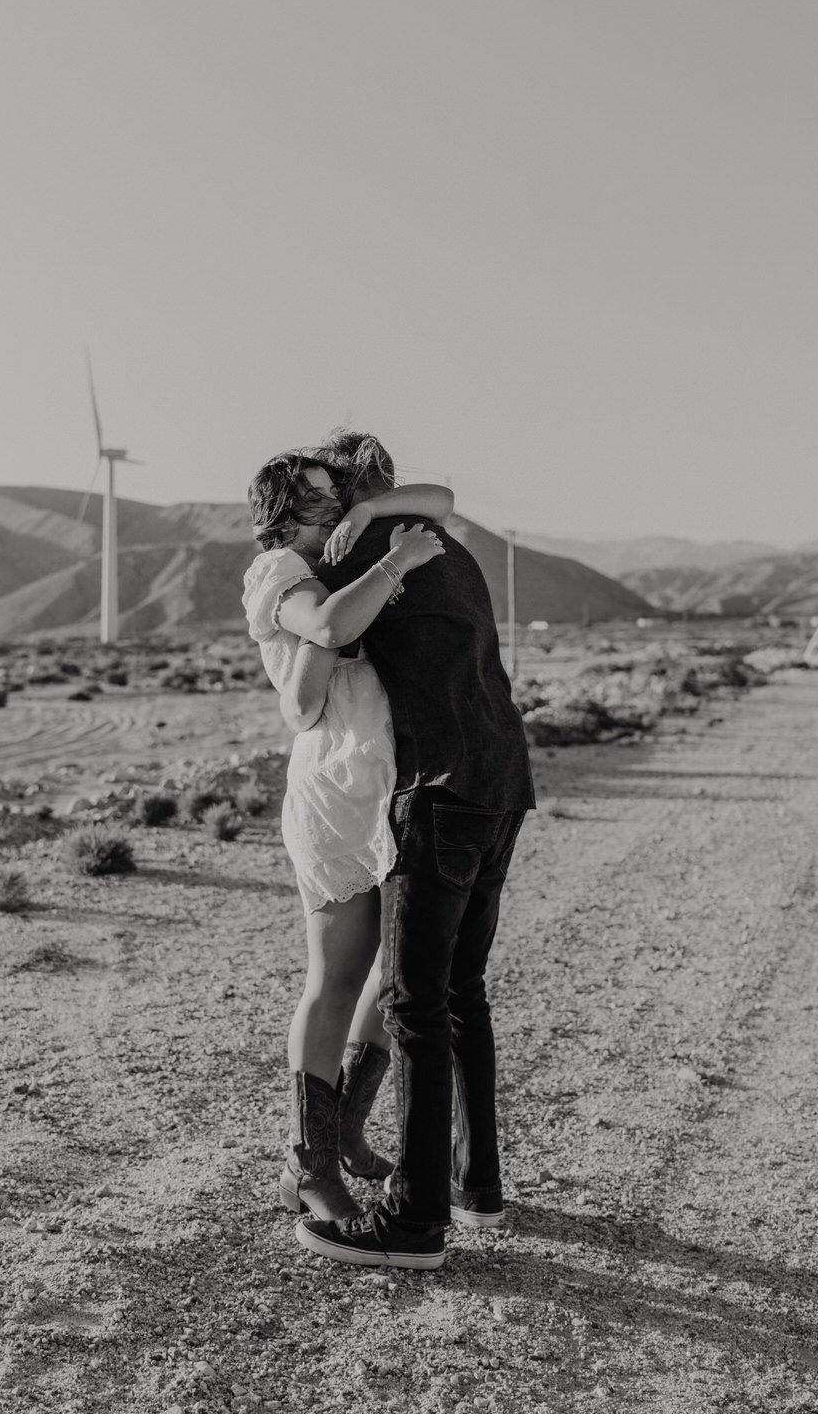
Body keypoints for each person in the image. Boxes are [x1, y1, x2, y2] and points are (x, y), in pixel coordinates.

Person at [293, 431, 536, 1270]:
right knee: (460, 991)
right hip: (504, 777)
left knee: (412, 1004)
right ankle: (478, 1190)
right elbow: (441, 497)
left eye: (327, 498)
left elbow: (320, 643)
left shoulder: (363, 550)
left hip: (437, 787)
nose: (320, 516)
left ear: (352, 499)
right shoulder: (447, 548)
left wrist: (339, 536)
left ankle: (414, 1219)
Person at [243, 451, 454, 1225]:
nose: (334, 515)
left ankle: (349, 1131)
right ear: (282, 511)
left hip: (391, 782)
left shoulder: (347, 554)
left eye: (339, 502)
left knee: (388, 975)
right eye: (321, 504)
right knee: (336, 976)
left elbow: (443, 496)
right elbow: (327, 630)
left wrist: (371, 518)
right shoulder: (275, 573)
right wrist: (396, 559)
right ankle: (308, 1165)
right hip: (334, 787)